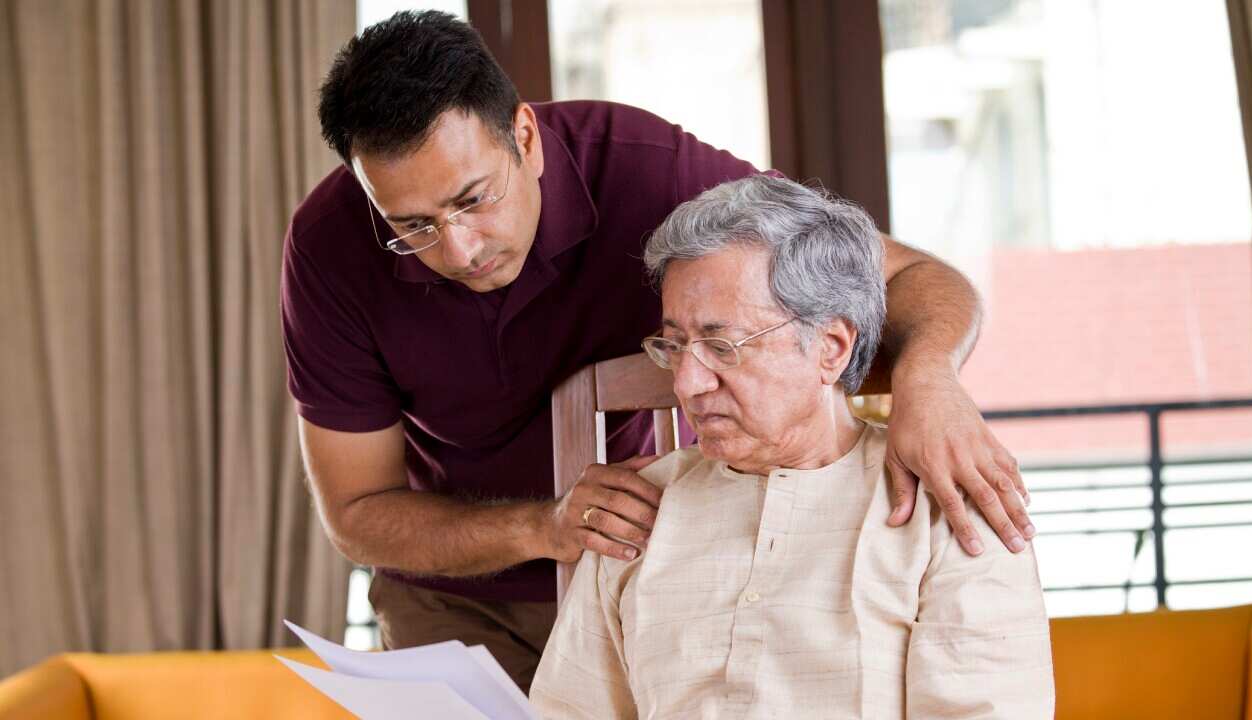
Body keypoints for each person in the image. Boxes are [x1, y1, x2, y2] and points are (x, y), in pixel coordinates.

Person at [283, 10, 1034, 689]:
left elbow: (915, 278)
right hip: (454, 582)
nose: (457, 248)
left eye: (473, 199)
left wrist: (928, 379)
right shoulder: (330, 248)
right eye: (411, 225)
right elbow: (357, 514)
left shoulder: (648, 172)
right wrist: (542, 527)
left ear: (524, 136)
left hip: (637, 560)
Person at [529, 175, 1054, 718]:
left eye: (721, 346)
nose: (687, 383)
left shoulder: (945, 505)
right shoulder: (637, 511)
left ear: (830, 349)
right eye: (676, 345)